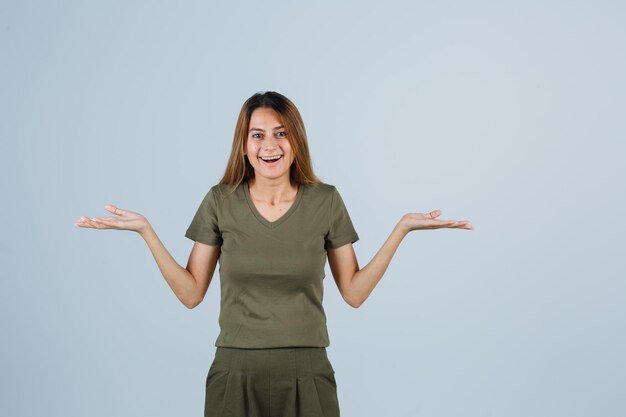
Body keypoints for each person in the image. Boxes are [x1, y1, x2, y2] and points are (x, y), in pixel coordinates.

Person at [74, 91, 474, 417]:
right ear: (244, 145)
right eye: (258, 135)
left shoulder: (326, 201)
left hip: (308, 373)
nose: (270, 145)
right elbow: (191, 293)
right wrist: (146, 232)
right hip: (235, 374)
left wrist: (401, 230)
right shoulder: (220, 201)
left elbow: (353, 292)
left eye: (281, 134)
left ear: (296, 141)